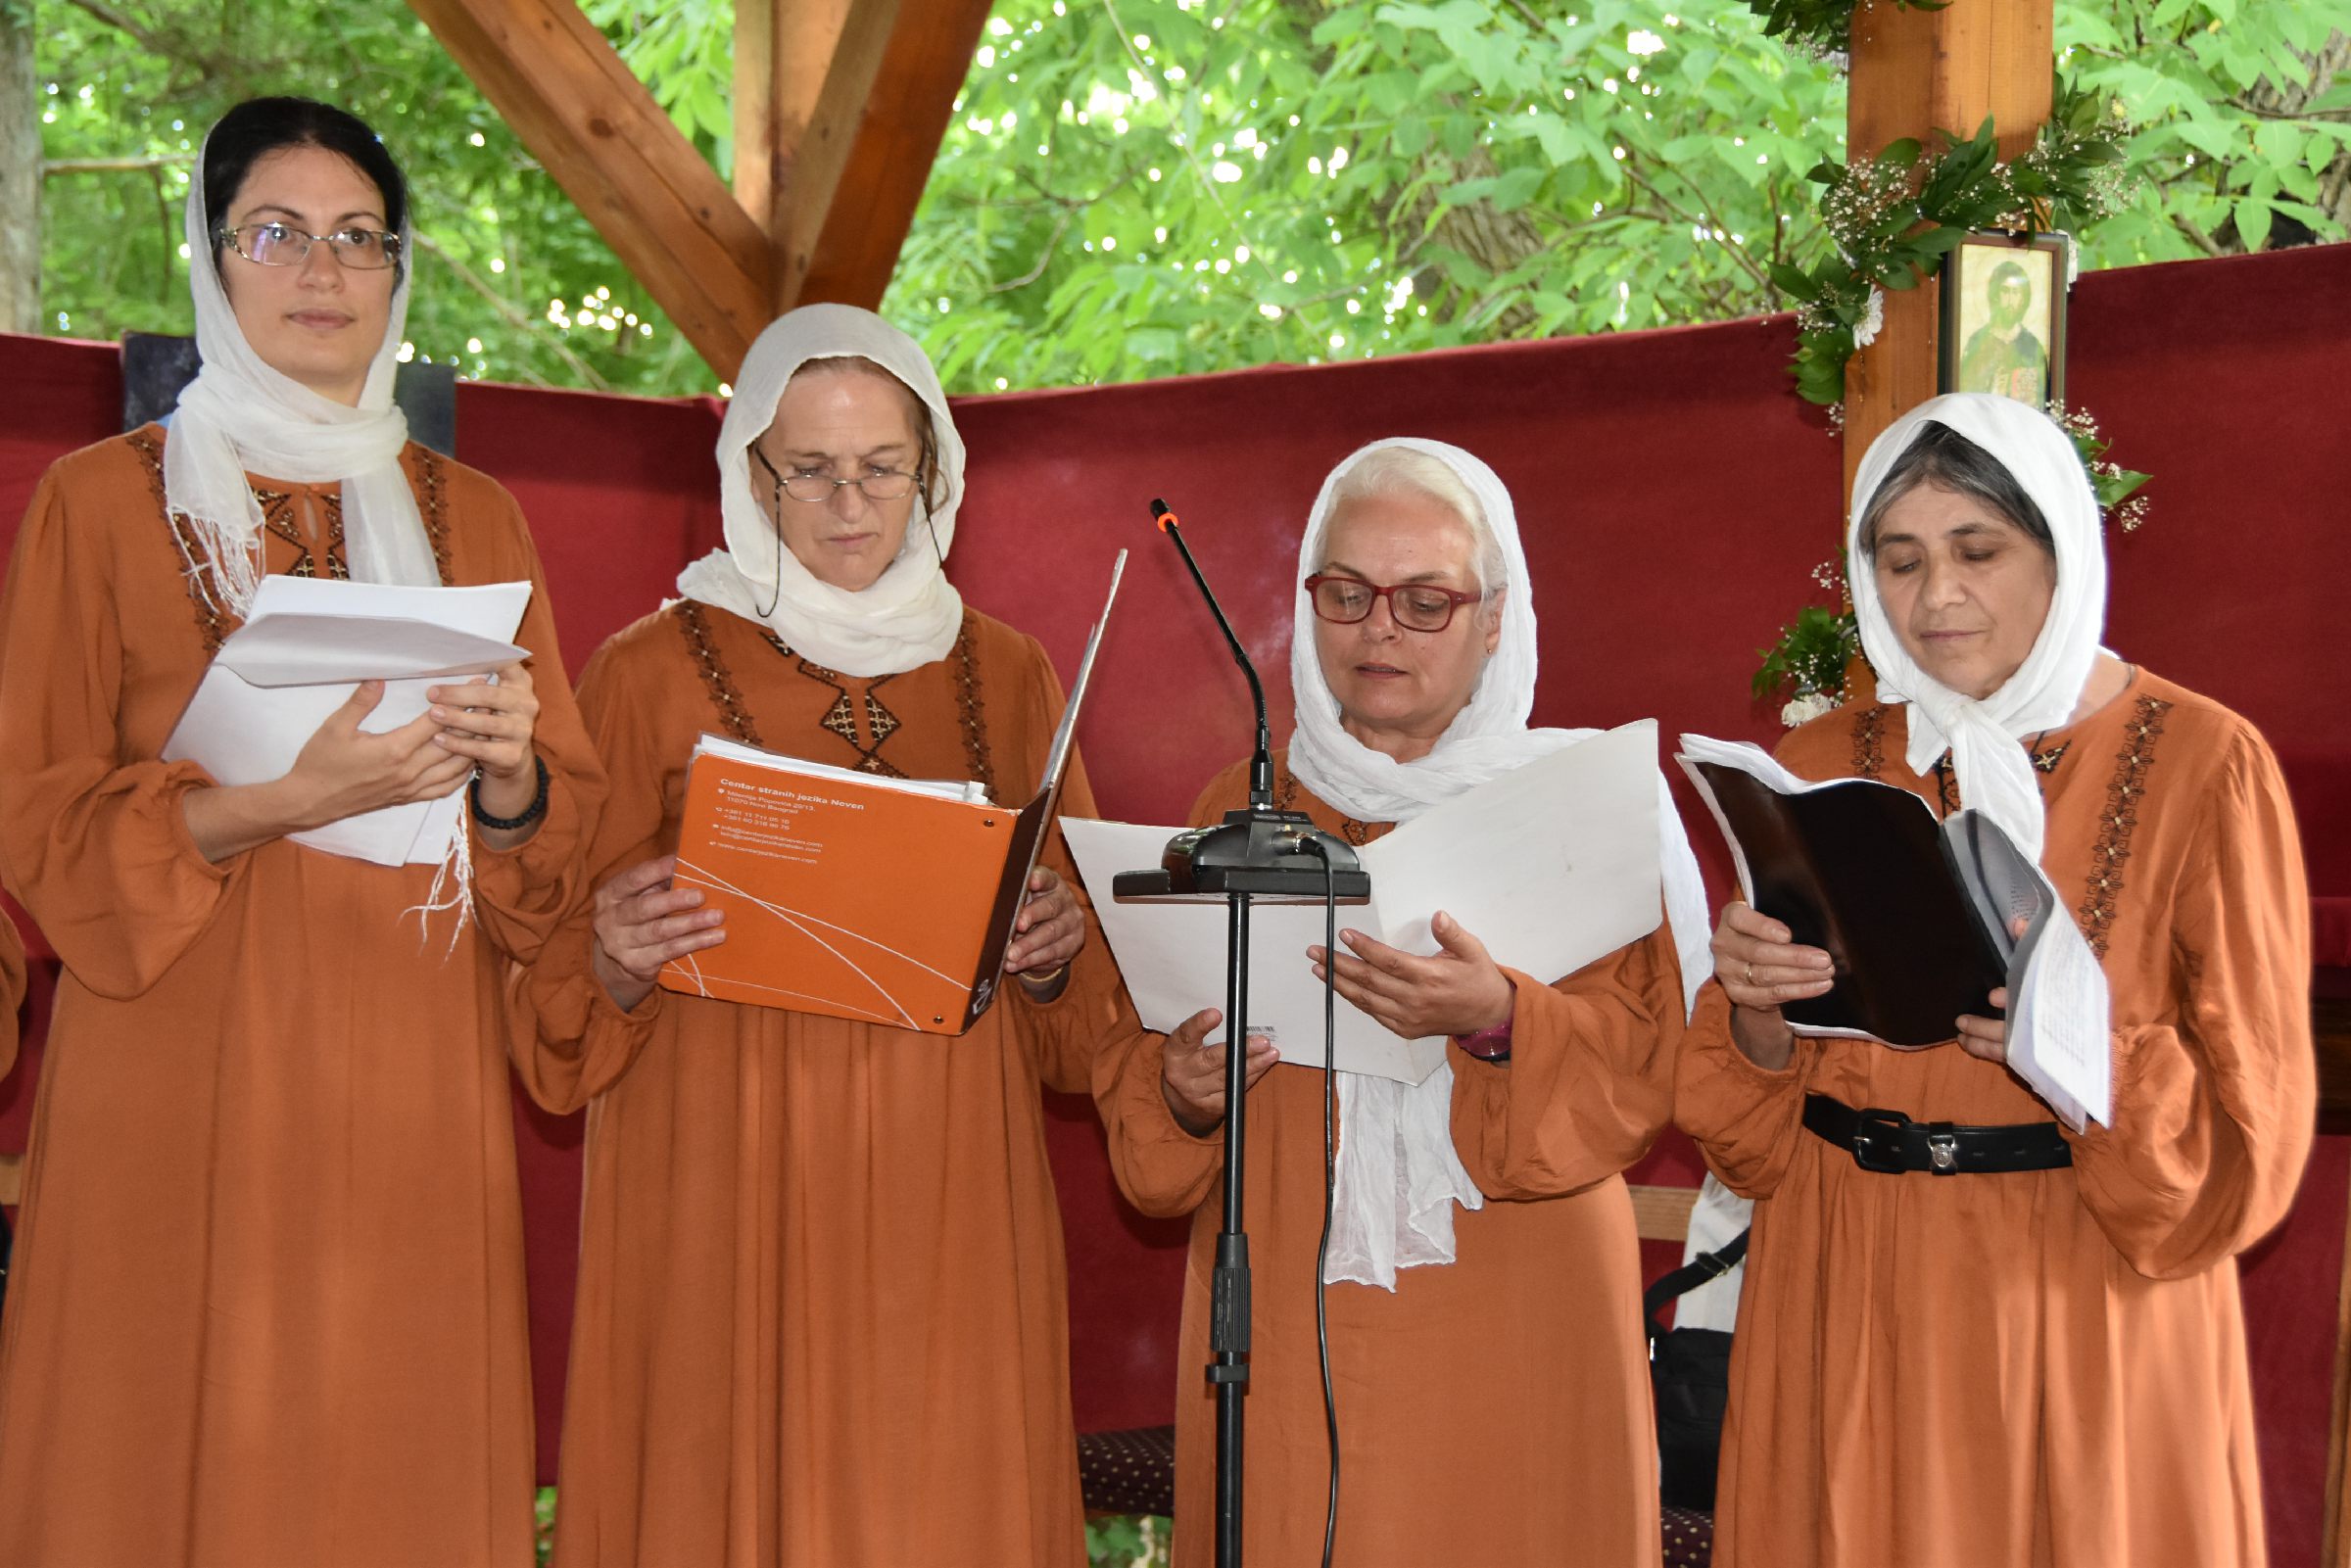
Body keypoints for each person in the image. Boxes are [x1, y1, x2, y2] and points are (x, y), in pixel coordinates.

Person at [0, 98, 602, 1564]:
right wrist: (276, 801)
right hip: (176, 1076)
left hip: (410, 1079)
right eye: (276, 234)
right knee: (161, 1462)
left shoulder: (479, 518)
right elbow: (39, 821)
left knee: (385, 1460)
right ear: (212, 261)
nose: (323, 270)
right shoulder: (96, 503)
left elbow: (554, 853)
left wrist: (510, 778)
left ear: (398, 272)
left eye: (359, 238)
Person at [515, 304, 1119, 1567]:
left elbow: (1093, 1027)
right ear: (752, 473)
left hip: (950, 1194)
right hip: (719, 1182)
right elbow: (549, 982)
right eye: (811, 470)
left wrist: (1058, 947)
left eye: (882, 467)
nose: (850, 504)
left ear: (933, 470)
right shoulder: (643, 670)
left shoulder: (1012, 673)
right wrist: (614, 952)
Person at [1679, 393, 2313, 1568]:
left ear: (2060, 552)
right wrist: (1758, 1005)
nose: (1937, 596)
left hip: (2082, 1291)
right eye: (1901, 559)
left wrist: (2077, 1043)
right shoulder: (1821, 762)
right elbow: (1747, 1142)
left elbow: (2255, 1124)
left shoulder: (2203, 762)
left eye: (1978, 550)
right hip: (1847, 1282)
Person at [1093, 438, 1711, 1567]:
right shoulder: (1243, 802)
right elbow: (1148, 1062)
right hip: (1286, 1291)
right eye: (1347, 592)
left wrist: (1497, 1013)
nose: (1379, 629)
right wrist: (1182, 1088)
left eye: (1426, 601)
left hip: (1513, 1293)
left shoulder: (1578, 806)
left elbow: (1650, 1068)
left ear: (1495, 617)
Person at [1957, 259, 2050, 404]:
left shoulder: (2032, 345)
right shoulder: (1977, 341)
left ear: (2023, 298)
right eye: (2005, 291)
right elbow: (1965, 394)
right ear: (1995, 295)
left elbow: (2041, 399)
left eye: (2016, 292)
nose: (2010, 300)